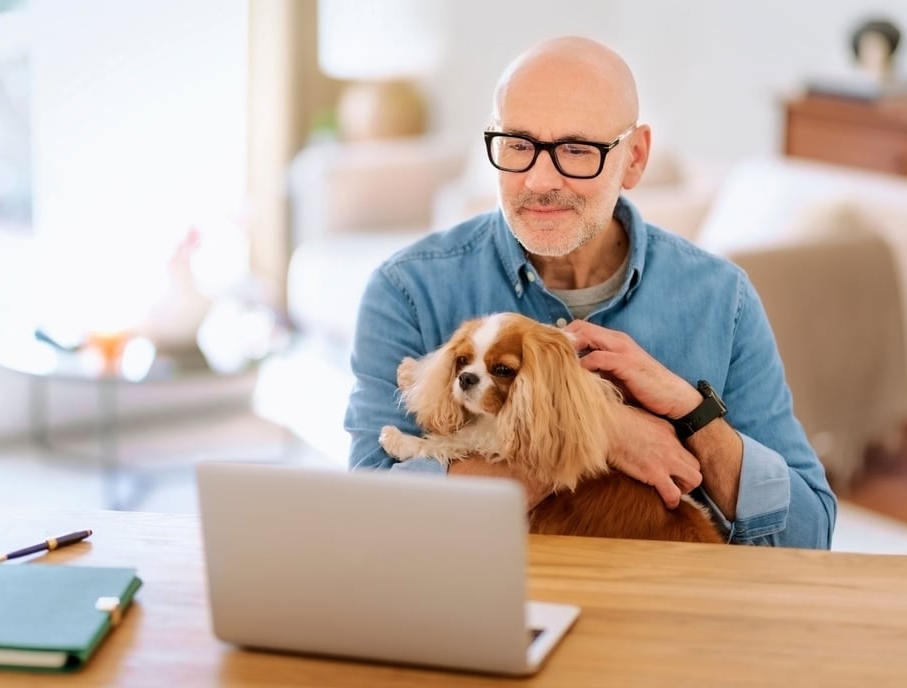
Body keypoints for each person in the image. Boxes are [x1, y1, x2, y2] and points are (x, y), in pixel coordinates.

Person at [344, 35, 836, 548]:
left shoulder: (720, 299)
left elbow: (806, 537)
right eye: (518, 144)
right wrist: (599, 433)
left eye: (576, 150)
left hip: (665, 605)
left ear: (636, 158)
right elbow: (372, 523)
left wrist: (696, 416)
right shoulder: (407, 289)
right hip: (472, 609)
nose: (538, 180)